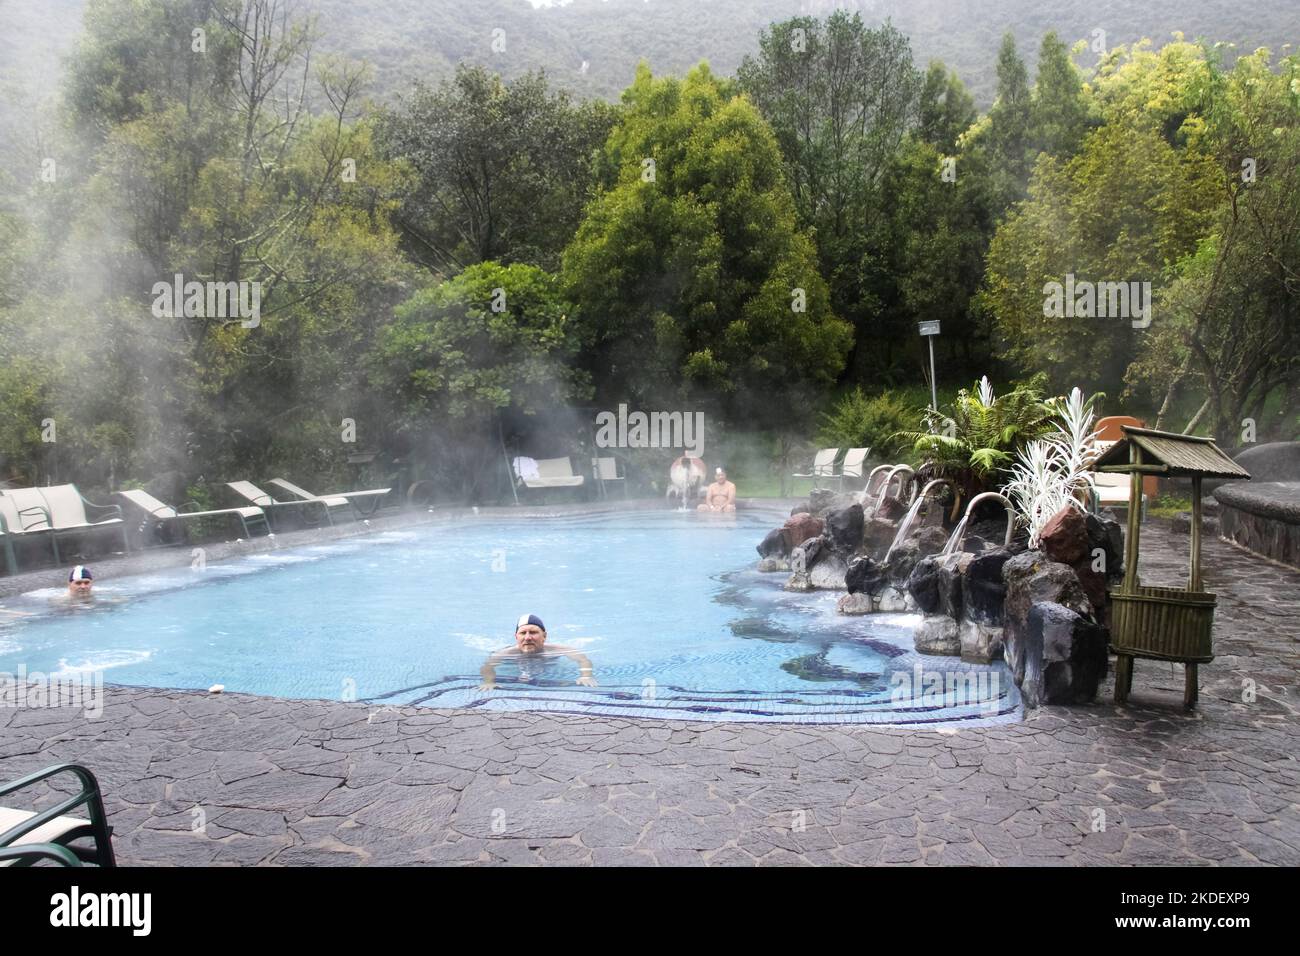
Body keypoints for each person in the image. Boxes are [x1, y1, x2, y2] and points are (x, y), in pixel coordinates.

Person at [478, 613, 597, 690]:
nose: (528, 637)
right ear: (516, 637)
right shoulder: (505, 653)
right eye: (523, 633)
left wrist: (586, 676)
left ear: (544, 636)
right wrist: (489, 681)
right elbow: (488, 666)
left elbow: (583, 660)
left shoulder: (558, 649)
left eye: (533, 632)